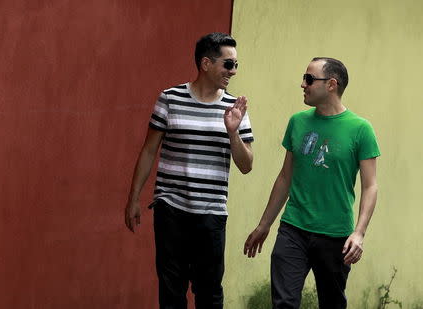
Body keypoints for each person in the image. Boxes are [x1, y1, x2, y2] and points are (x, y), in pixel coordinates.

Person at [125, 32, 254, 309]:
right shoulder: (170, 98)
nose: (233, 71)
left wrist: (233, 133)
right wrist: (134, 198)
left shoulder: (234, 109)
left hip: (211, 213)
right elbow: (149, 150)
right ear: (206, 63)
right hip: (170, 209)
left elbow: (246, 165)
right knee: (171, 290)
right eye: (228, 64)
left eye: (236, 65)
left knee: (209, 293)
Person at [244, 57, 380, 309]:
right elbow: (286, 176)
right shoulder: (298, 122)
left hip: (335, 235)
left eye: (308, 79)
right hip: (293, 229)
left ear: (331, 84)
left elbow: (370, 186)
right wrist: (265, 224)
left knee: (332, 303)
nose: (302, 84)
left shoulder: (361, 129)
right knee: (283, 303)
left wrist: (359, 233)